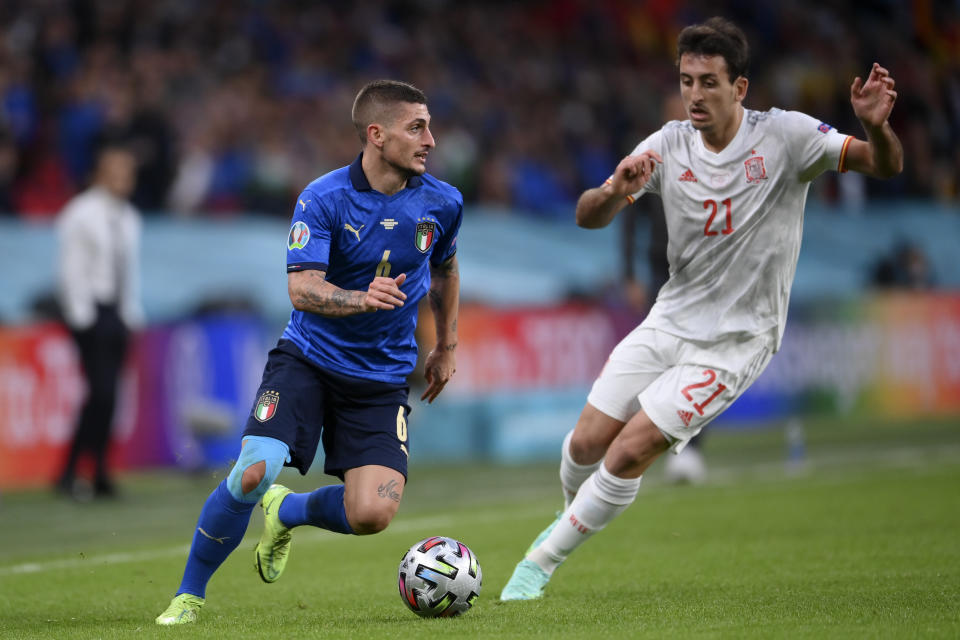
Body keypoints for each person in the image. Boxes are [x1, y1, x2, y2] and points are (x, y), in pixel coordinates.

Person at [500, 17, 902, 601]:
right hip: (670, 319)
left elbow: (883, 164)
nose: (694, 94)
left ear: (740, 88)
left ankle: (537, 567)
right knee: (586, 443)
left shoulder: (786, 136)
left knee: (631, 448)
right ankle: (568, 518)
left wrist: (875, 128)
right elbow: (587, 216)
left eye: (709, 82)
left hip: (738, 339)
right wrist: (615, 190)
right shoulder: (666, 143)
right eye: (687, 80)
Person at [156, 79, 462, 625]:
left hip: (381, 378)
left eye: (429, 126)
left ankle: (287, 510)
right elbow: (301, 289)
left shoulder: (442, 202)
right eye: (417, 127)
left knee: (372, 514)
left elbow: (445, 268)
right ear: (376, 134)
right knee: (254, 470)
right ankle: (189, 596)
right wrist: (360, 297)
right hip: (309, 360)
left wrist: (445, 344)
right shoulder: (323, 198)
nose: (431, 140)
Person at [55, 142, 144, 499]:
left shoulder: (129, 217)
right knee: (101, 391)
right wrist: (82, 317)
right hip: (91, 312)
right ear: (100, 174)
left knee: (107, 396)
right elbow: (70, 270)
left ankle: (92, 470)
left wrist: (130, 312)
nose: (123, 179)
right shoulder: (80, 214)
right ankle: (80, 470)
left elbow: (131, 271)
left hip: (117, 312)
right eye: (116, 171)